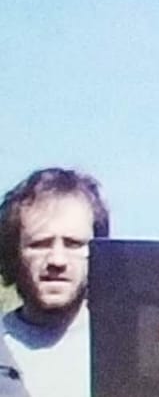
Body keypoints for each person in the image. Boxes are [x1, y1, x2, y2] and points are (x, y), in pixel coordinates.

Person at [0, 167, 110, 397]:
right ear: (13, 253)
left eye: (73, 244)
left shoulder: (132, 350)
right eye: (40, 244)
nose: (57, 260)